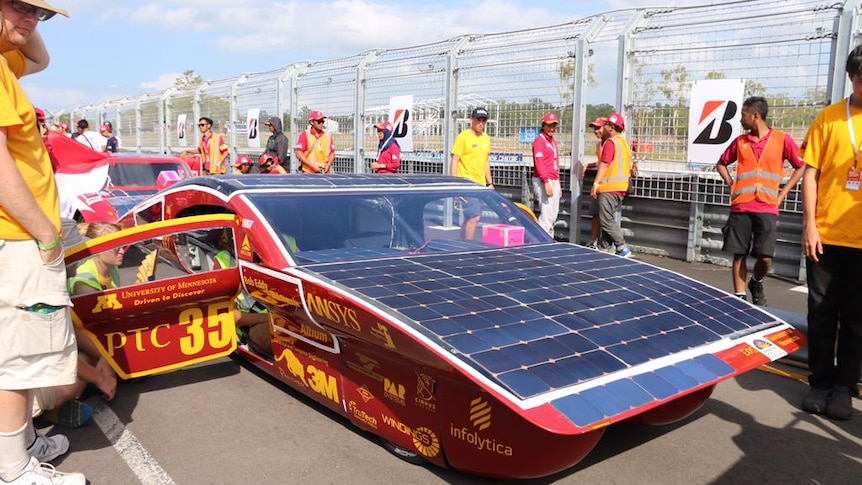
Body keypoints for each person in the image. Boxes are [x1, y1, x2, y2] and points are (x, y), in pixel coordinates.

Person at [0, 1, 87, 484]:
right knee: (18, 359)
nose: (33, 19)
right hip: (16, 235)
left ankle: (23, 445)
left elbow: (39, 59)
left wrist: (19, 21)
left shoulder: (4, 58)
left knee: (22, 352)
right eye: (21, 5)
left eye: (43, 13)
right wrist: (45, 232)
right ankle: (14, 470)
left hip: (15, 234)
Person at [798, 44, 862, 421]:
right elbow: (811, 173)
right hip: (826, 234)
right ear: (852, 77)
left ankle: (844, 388)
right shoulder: (829, 118)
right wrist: (809, 223)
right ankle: (819, 382)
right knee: (820, 313)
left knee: (856, 319)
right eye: (861, 78)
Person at [715, 96, 805, 305]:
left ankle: (756, 281)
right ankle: (740, 299)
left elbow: (801, 166)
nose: (740, 119)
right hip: (741, 206)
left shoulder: (782, 139)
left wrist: (782, 194)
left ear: (755, 116)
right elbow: (721, 163)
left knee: (765, 257)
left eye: (743, 115)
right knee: (739, 254)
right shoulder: (740, 142)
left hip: (767, 206)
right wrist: (730, 182)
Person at [590, 112, 633, 258]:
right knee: (607, 217)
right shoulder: (624, 144)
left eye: (607, 124)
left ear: (611, 127)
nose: (605, 126)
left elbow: (605, 164)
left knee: (605, 219)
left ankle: (622, 247)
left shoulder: (611, 142)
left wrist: (596, 183)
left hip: (609, 187)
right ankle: (604, 248)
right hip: (621, 187)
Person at [450, 107, 494, 240]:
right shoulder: (463, 137)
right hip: (466, 184)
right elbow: (455, 161)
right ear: (472, 120)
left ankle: (462, 244)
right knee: (475, 216)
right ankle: (469, 248)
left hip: (480, 185)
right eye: (478, 120)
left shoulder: (486, 138)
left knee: (470, 217)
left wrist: (489, 182)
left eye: (484, 120)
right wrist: (454, 184)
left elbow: (485, 161)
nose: (481, 123)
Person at [532, 112, 561, 236]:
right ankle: (542, 241)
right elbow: (539, 163)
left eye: (554, 125)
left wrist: (558, 183)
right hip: (543, 179)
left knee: (553, 213)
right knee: (546, 214)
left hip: (553, 179)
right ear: (543, 125)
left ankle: (549, 239)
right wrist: (546, 182)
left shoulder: (552, 141)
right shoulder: (539, 141)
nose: (552, 128)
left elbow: (555, 162)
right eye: (549, 125)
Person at [583, 117, 606, 248]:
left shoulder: (611, 143)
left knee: (606, 216)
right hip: (599, 183)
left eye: (599, 128)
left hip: (608, 184)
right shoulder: (599, 145)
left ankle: (606, 243)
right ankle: (594, 241)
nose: (596, 131)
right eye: (595, 128)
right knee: (596, 213)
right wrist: (588, 165)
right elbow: (601, 162)